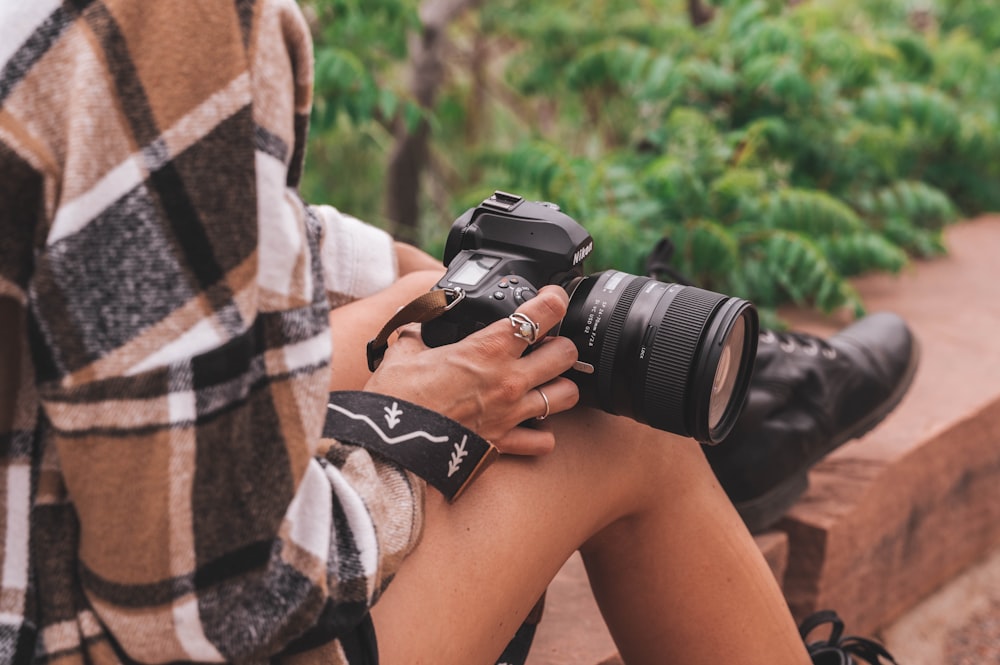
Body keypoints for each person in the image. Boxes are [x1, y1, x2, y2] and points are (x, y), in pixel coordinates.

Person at [0, 2, 898, 664]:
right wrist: (411, 428)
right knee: (614, 431)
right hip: (92, 623)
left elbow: (140, 230)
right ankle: (744, 451)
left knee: (447, 313)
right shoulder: (163, 21)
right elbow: (210, 609)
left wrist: (424, 281)